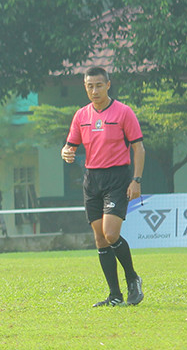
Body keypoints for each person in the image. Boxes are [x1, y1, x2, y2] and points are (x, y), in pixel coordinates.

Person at [61, 66, 145, 307]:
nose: (94, 90)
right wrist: (66, 152)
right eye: (90, 86)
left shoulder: (124, 112)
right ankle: (115, 295)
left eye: (99, 85)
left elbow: (138, 148)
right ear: (85, 88)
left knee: (110, 234)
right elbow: (70, 146)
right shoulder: (81, 116)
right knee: (99, 239)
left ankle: (132, 278)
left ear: (108, 85)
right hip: (92, 179)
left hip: (117, 178)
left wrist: (136, 180)